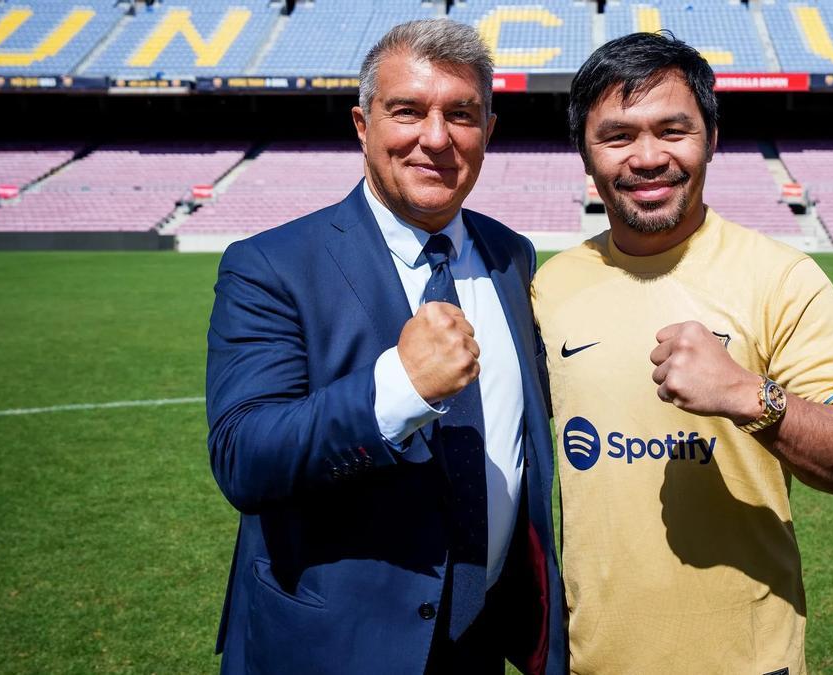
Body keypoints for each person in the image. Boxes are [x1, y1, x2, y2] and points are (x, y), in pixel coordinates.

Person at [205, 19, 565, 674]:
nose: (436, 137)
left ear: (489, 130)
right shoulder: (270, 264)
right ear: (362, 124)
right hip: (334, 647)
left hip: (480, 637)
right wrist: (398, 390)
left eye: (462, 114)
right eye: (408, 111)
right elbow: (243, 456)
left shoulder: (512, 255)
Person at [532, 32, 833, 674]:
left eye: (673, 130)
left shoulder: (782, 277)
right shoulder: (550, 287)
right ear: (585, 155)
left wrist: (749, 396)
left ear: (712, 138)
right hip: (593, 660)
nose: (647, 157)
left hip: (748, 662)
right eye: (617, 136)